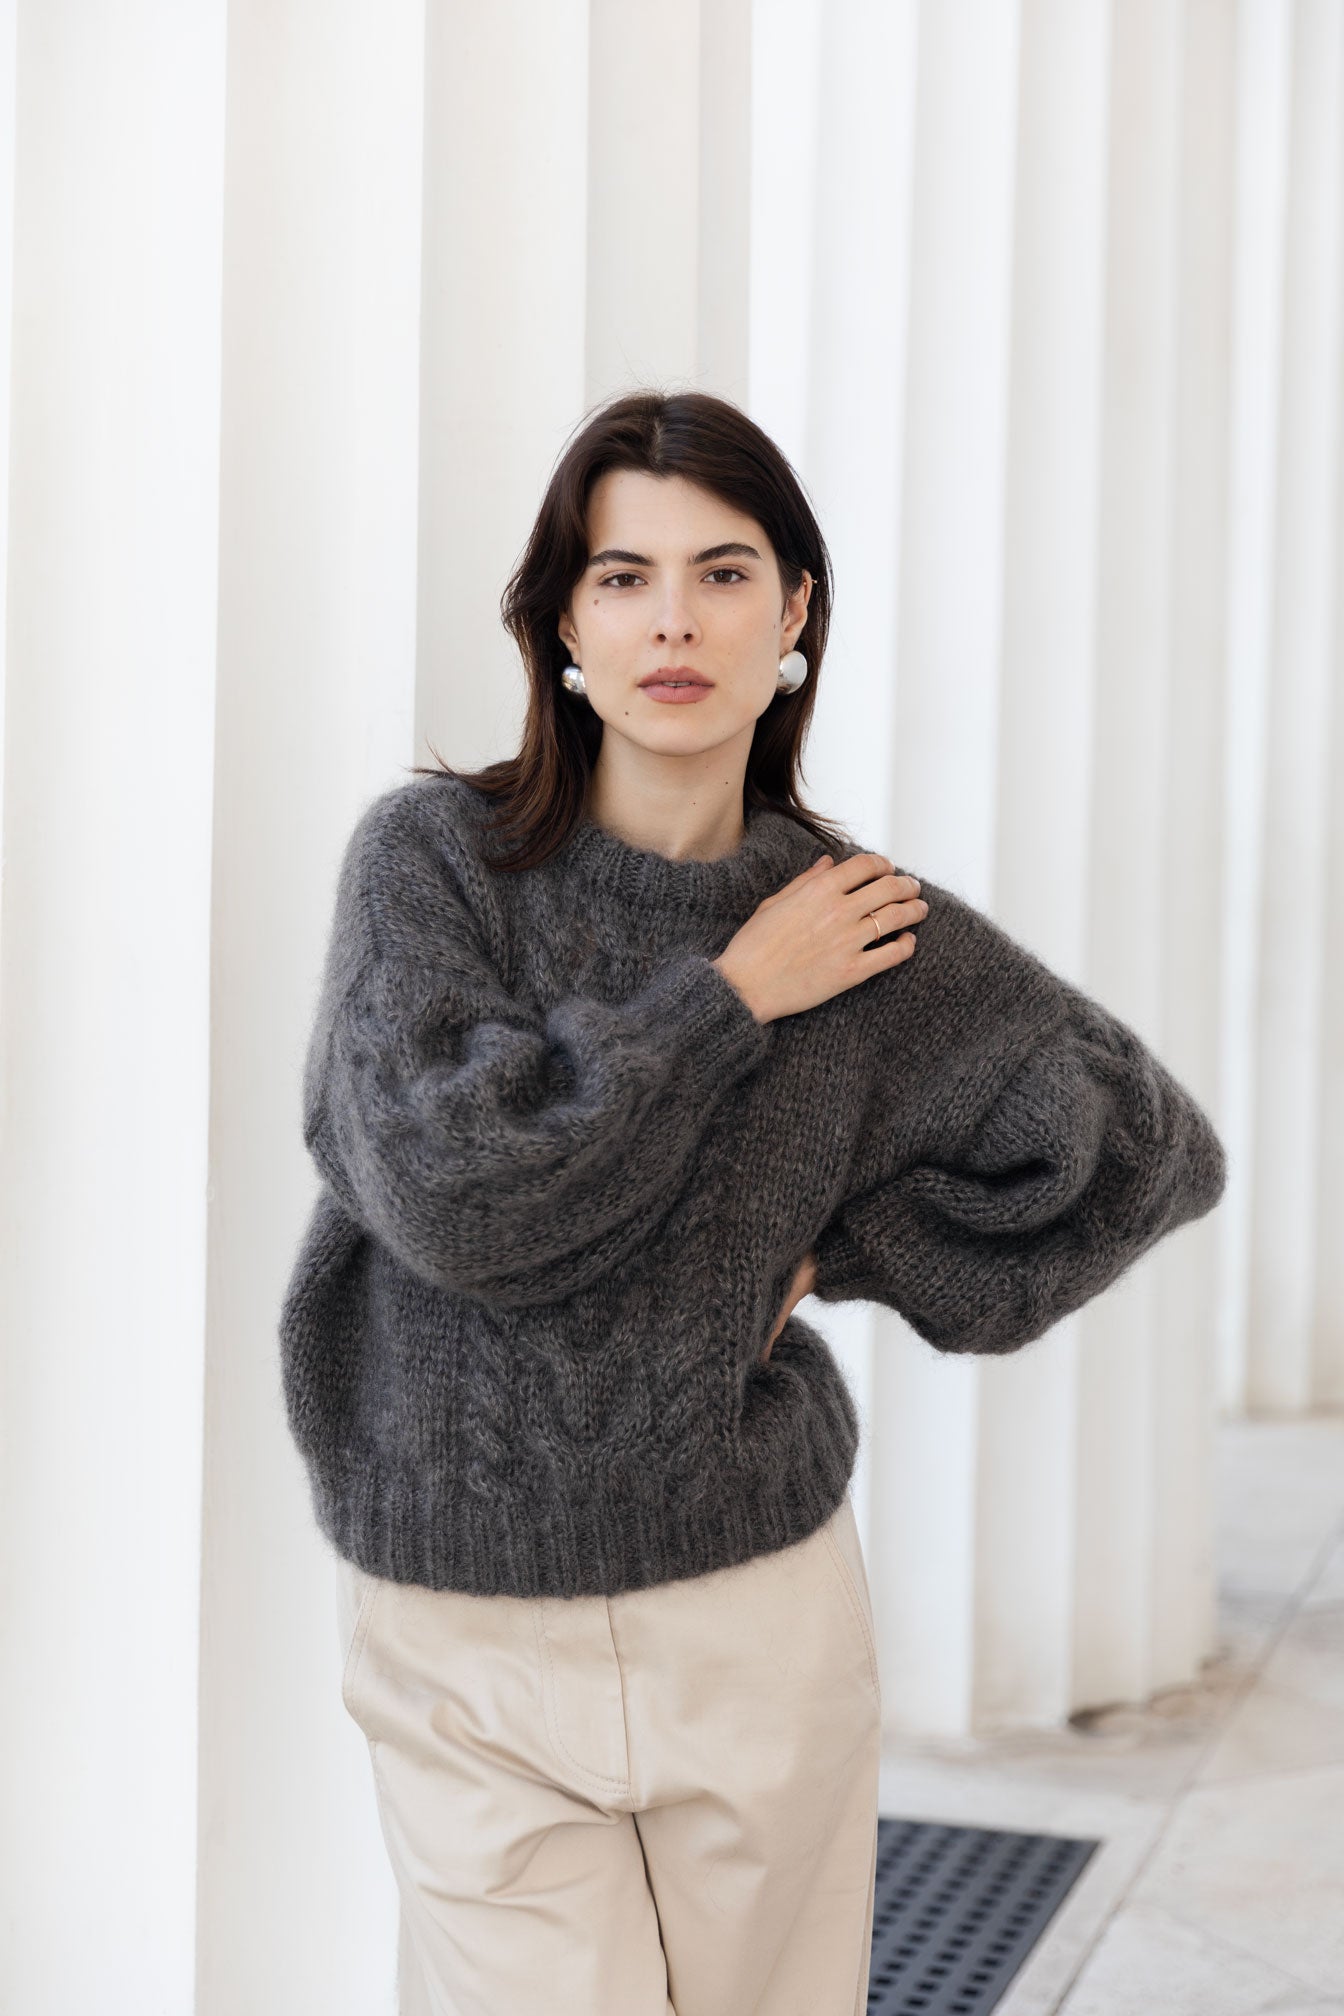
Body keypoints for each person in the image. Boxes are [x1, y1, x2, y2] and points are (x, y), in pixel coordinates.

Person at [279, 388, 1227, 2016]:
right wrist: (727, 1001)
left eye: (723, 574)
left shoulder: (851, 926)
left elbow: (1143, 1149)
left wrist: (823, 1249)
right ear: (559, 624)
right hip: (467, 1642)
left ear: (794, 614)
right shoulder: (432, 861)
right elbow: (452, 1200)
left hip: (754, 1616)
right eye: (622, 577)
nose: (673, 622)